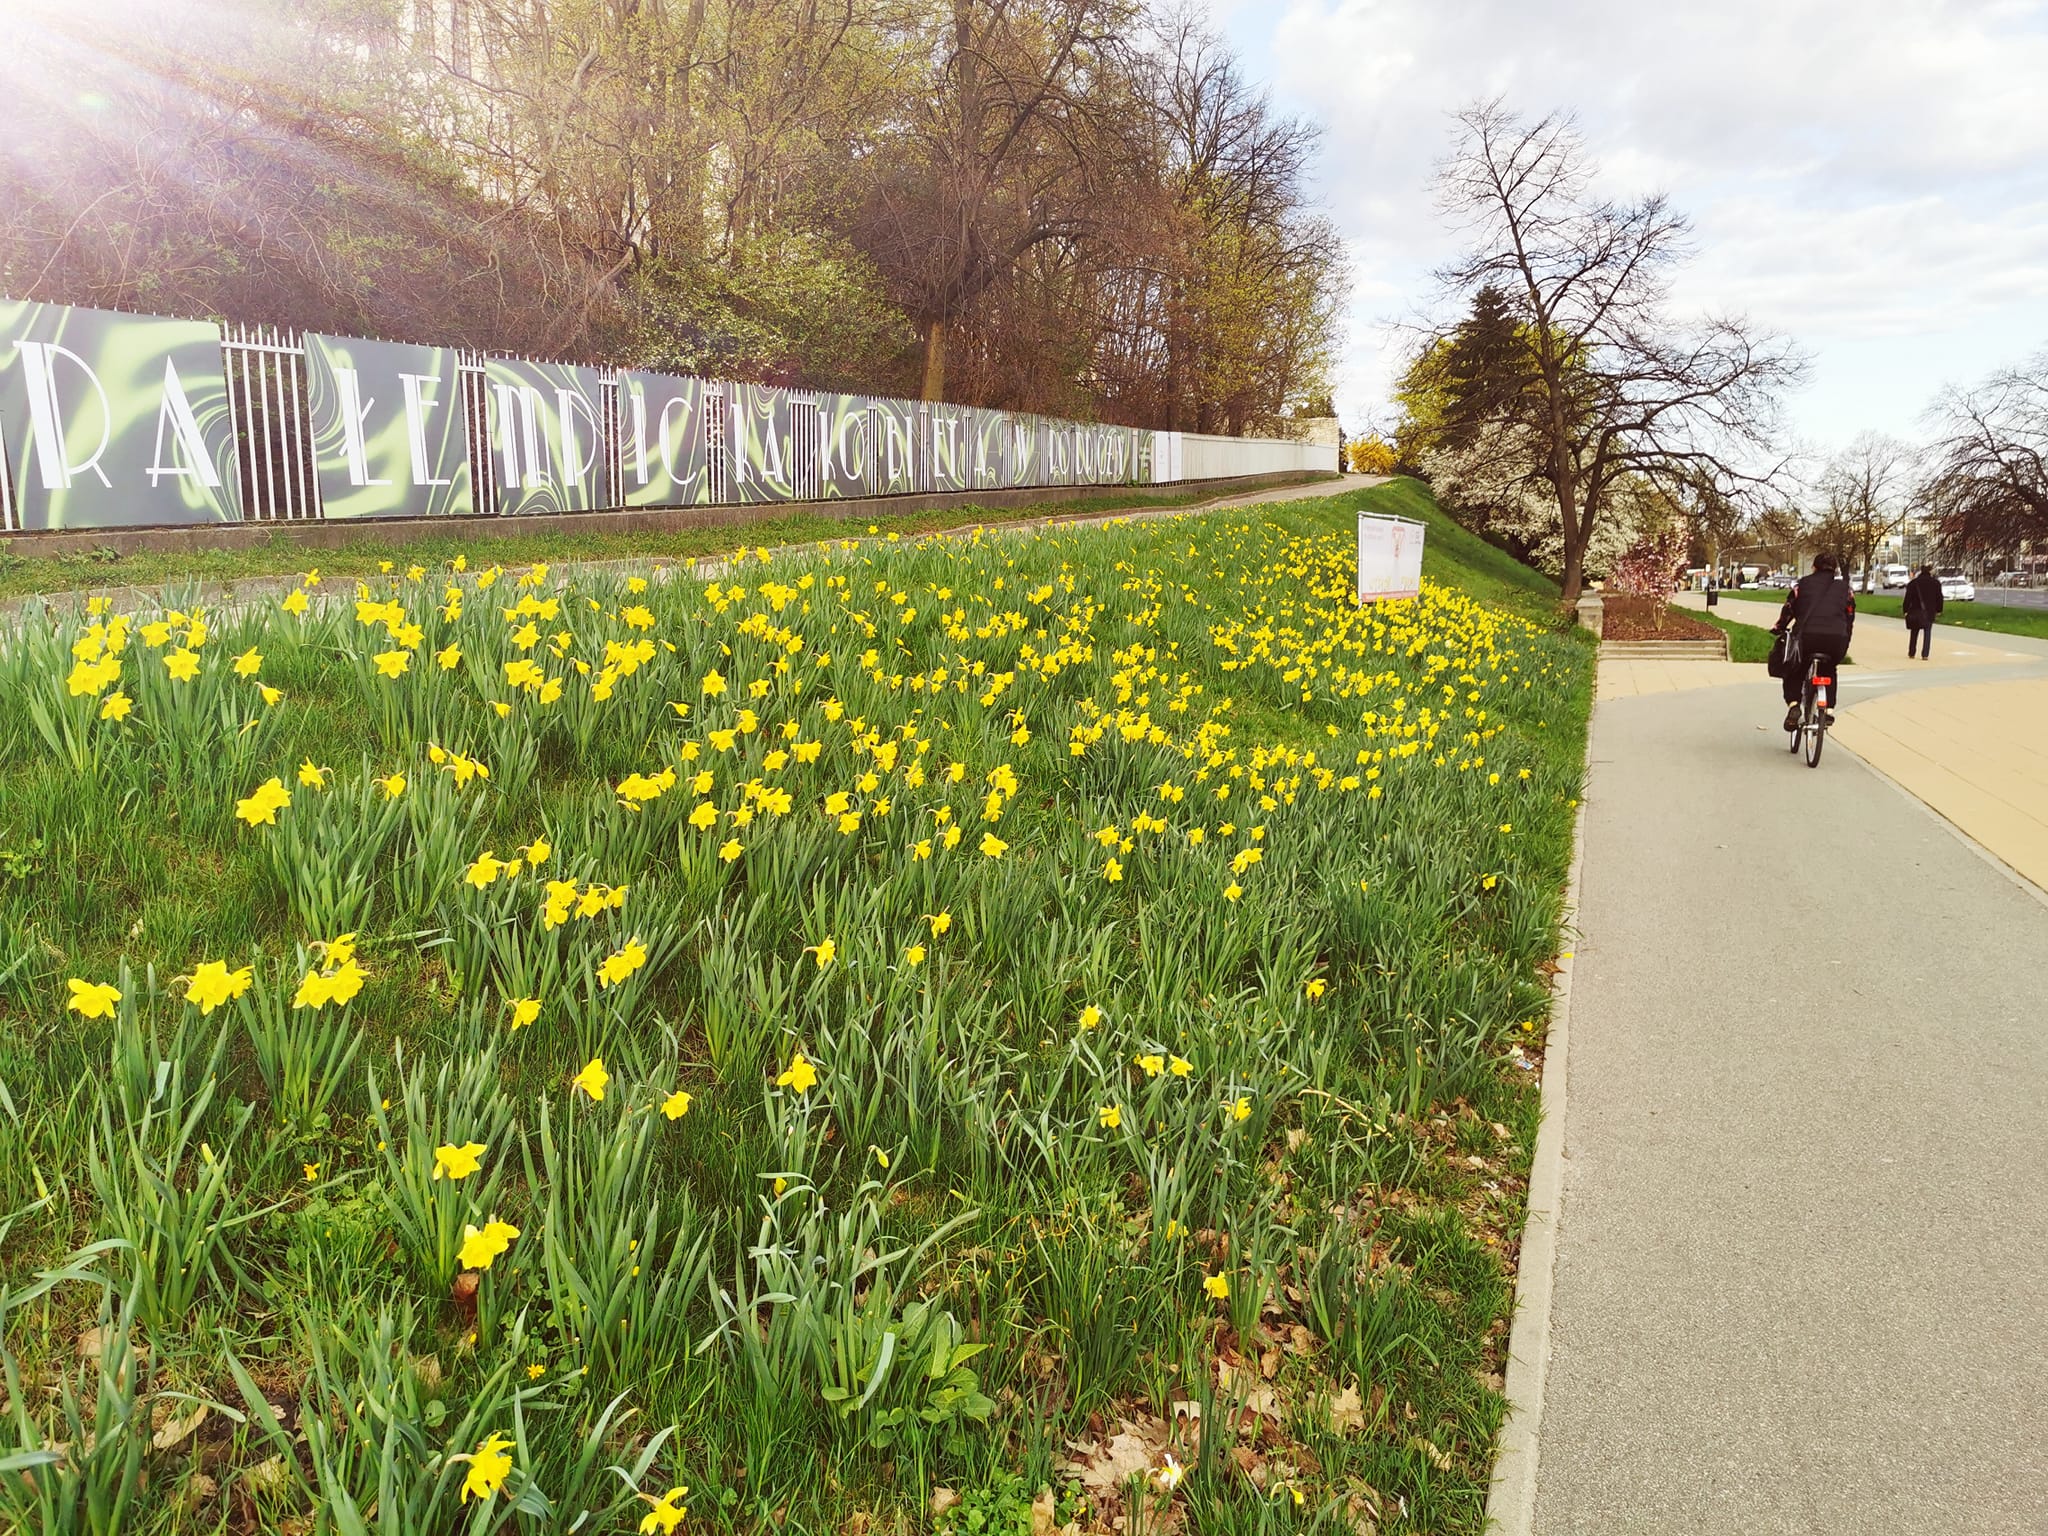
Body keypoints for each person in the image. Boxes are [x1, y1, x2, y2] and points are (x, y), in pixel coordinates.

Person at [1773, 553, 1856, 731]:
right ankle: (1829, 710)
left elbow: (1788, 609)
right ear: (1835, 570)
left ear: (1814, 567)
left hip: (1806, 639)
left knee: (1795, 670)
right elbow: (1850, 616)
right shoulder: (1845, 589)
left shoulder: (1801, 586)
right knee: (1829, 669)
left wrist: (1779, 627)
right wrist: (1845, 637)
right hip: (1836, 639)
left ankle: (1794, 705)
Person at [1902, 564, 1943, 659]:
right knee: (1927, 632)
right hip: (1929, 612)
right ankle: (1925, 654)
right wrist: (1939, 609)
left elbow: (1907, 598)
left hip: (1915, 611)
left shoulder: (1913, 583)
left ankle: (1912, 652)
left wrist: (1905, 610)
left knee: (1914, 632)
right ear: (1929, 571)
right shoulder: (1935, 583)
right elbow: (1939, 598)